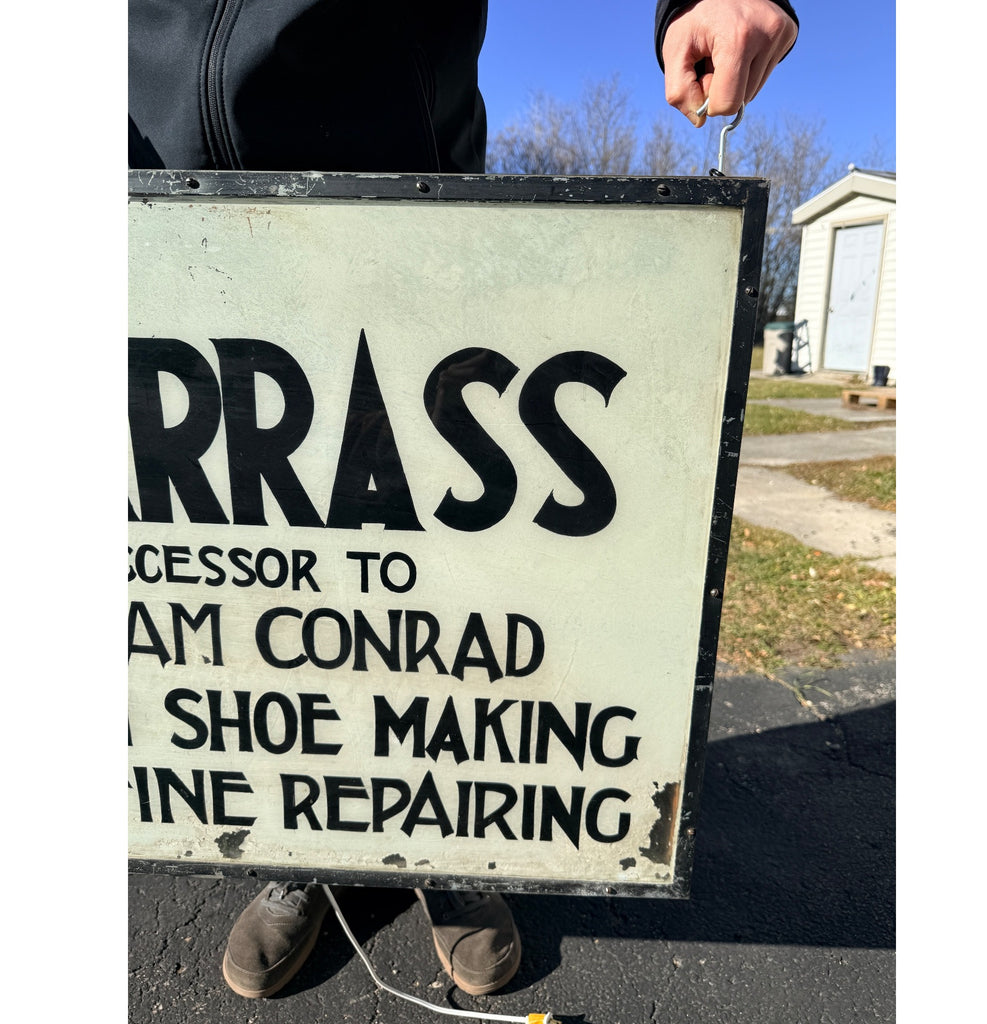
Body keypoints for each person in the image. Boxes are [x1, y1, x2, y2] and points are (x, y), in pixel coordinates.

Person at [128, 0, 798, 1001]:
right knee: (273, 595)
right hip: (165, 195)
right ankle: (295, 826)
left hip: (407, 189)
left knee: (449, 574)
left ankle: (459, 834)